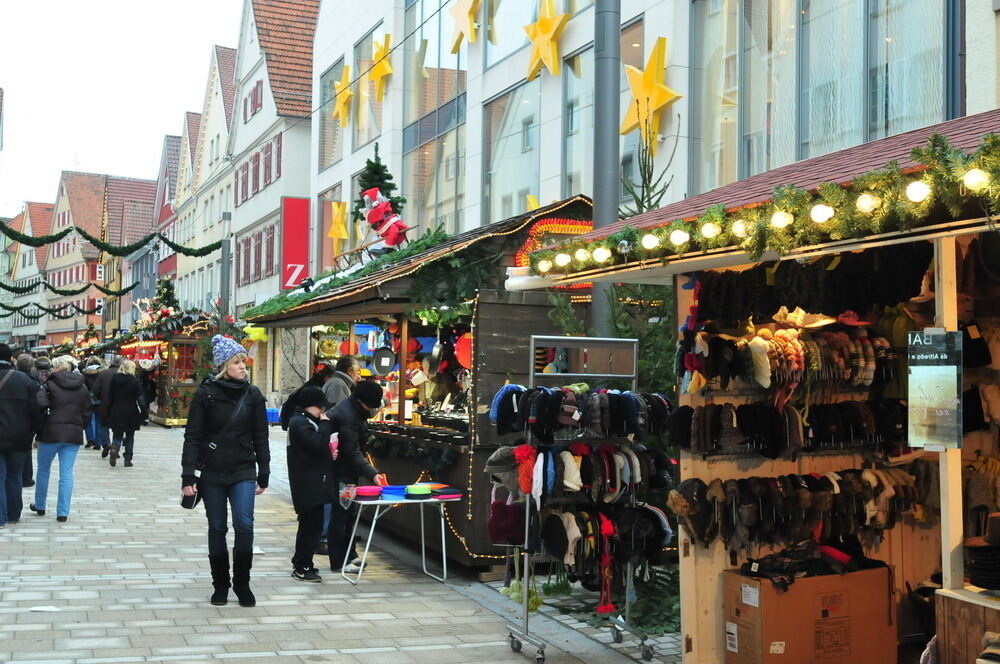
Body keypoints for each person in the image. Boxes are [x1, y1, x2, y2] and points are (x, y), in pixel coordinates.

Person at [181, 335, 270, 607]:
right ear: (223, 366)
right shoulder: (206, 394)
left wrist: (264, 471)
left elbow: (261, 436)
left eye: (244, 362)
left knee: (244, 524)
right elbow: (193, 435)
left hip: (243, 469)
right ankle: (220, 585)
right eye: (237, 362)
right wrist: (188, 475)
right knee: (217, 526)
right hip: (213, 472)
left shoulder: (253, 395)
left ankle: (242, 584)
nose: (243, 367)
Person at [325, 380, 387, 573]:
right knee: (341, 516)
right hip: (341, 472)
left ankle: (350, 555)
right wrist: (373, 474)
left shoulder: (353, 409)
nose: (373, 409)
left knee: (349, 515)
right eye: (371, 406)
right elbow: (351, 452)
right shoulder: (348, 416)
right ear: (361, 402)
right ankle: (339, 562)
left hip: (347, 472)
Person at [286, 386, 339, 581]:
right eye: (320, 408)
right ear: (310, 406)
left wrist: (329, 453)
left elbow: (315, 449)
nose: (322, 412)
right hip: (307, 484)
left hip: (312, 482)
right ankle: (302, 565)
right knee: (310, 527)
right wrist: (325, 426)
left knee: (312, 526)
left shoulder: (304, 421)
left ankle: (302, 562)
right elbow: (316, 444)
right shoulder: (300, 422)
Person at [31, 355, 92, 522]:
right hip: (73, 434)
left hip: (50, 433)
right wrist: (80, 426)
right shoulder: (82, 387)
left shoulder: (49, 385)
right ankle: (63, 511)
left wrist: (39, 428)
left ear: (57, 368)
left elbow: (39, 405)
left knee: (43, 470)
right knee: (66, 473)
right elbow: (87, 411)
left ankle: (40, 505)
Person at [0, 344, 43, 528]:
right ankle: (13, 514)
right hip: (20, 436)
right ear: (11, 358)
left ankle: (0, 517)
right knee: (15, 476)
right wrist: (38, 432)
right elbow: (36, 410)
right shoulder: (24, 380)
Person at [107, 359, 146, 467]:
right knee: (130, 436)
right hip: (131, 411)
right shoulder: (135, 381)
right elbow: (140, 399)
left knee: (117, 434)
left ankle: (115, 448)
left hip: (116, 410)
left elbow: (110, 396)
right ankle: (128, 459)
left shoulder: (114, 380)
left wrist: (108, 411)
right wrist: (144, 413)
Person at [91, 356, 121, 458]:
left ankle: (106, 443)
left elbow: (95, 389)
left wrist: (101, 398)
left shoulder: (103, 373)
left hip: (104, 404)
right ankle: (115, 447)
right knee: (118, 428)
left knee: (103, 425)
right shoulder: (122, 374)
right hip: (118, 405)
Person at [16, 354, 39, 488]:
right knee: (26, 450)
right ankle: (26, 477)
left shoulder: (12, 379)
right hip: (27, 422)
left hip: (10, 420)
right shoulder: (33, 382)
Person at [81, 357, 104, 449]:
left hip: (88, 398)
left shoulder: (85, 373)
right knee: (99, 420)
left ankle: (90, 439)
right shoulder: (102, 373)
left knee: (88, 419)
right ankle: (98, 442)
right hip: (100, 398)